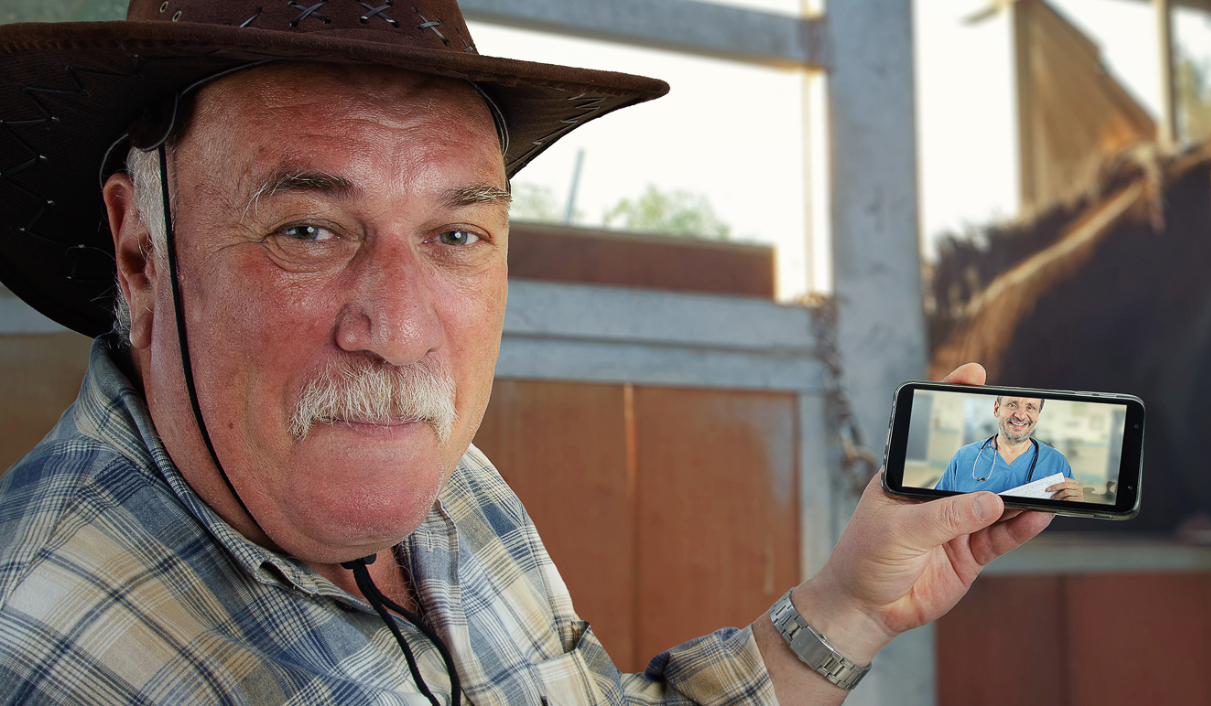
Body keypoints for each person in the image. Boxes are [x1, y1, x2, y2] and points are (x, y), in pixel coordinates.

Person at [0, 2, 1053, 704]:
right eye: (309, 231)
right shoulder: (42, 653)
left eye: (456, 235)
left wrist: (849, 606)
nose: (402, 331)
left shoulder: (447, 481)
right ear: (142, 253)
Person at [935, 396, 1084, 501]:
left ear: (1038, 416)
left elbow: (1067, 518)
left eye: (1030, 407)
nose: (1020, 415)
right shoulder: (964, 456)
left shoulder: (1056, 460)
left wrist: (1078, 504)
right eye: (1012, 405)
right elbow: (935, 505)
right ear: (996, 409)